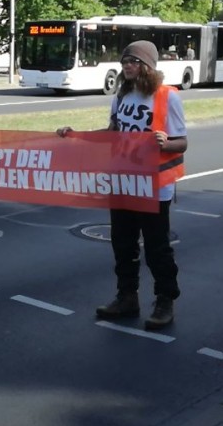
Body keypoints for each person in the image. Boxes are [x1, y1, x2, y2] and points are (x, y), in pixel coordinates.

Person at [56, 40, 187, 330]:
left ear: (148, 66)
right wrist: (75, 134)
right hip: (123, 180)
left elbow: (183, 142)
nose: (127, 66)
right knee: (123, 243)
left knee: (157, 247)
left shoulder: (167, 97)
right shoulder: (121, 96)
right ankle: (127, 297)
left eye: (133, 62)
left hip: (153, 185)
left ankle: (165, 300)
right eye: (125, 61)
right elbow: (112, 133)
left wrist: (166, 143)